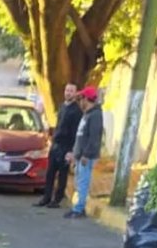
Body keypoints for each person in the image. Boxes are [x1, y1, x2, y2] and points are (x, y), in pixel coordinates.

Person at [34, 83, 82, 208]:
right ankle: (46, 197)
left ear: (75, 93)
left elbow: (75, 132)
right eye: (67, 90)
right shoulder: (62, 107)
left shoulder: (76, 111)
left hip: (66, 146)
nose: (68, 93)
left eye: (71, 91)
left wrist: (71, 151)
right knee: (50, 173)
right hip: (55, 144)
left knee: (62, 175)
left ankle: (57, 199)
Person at [64, 84, 104, 219]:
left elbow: (94, 137)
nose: (79, 102)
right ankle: (77, 206)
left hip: (87, 156)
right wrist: (75, 154)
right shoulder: (87, 115)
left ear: (87, 100)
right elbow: (80, 136)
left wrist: (86, 154)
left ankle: (79, 209)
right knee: (79, 182)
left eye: (81, 99)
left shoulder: (95, 116)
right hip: (80, 156)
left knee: (83, 182)